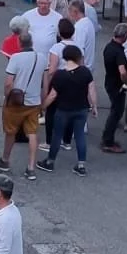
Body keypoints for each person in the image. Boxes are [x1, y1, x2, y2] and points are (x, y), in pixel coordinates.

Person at [41, 44, 97, 172]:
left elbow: (53, 95)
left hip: (63, 110)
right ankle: (81, 165)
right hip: (82, 108)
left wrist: (43, 107)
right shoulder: (85, 72)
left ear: (64, 57)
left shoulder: (60, 75)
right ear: (78, 57)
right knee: (79, 135)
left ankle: (50, 162)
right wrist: (94, 106)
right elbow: (92, 90)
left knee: (57, 135)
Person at [0, 29, 44, 179]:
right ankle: (31, 167)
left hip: (17, 101)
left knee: (11, 130)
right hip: (34, 101)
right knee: (32, 133)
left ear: (19, 43)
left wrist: (7, 97)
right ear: (32, 43)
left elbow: (8, 83)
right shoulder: (41, 58)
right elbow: (46, 80)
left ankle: (5, 160)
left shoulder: (16, 58)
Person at [100, 26, 127, 152]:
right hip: (117, 85)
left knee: (115, 110)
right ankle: (108, 141)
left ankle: (108, 138)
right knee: (117, 112)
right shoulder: (119, 52)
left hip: (109, 82)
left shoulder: (109, 47)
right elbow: (122, 72)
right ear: (124, 36)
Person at [26, 0, 63, 65]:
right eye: (41, 3)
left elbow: (62, 36)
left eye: (46, 3)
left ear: (50, 4)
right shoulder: (27, 16)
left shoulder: (58, 17)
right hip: (31, 57)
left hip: (49, 58)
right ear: (37, 3)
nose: (43, 6)